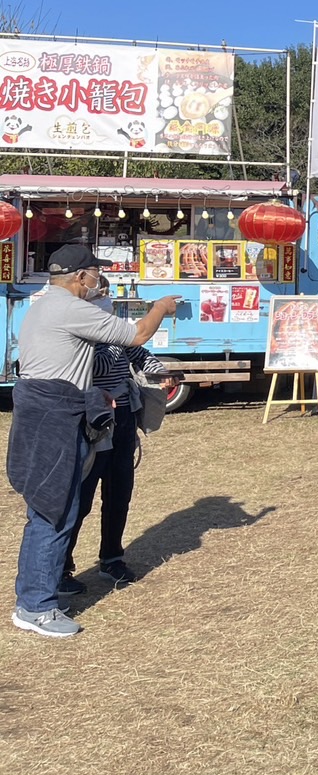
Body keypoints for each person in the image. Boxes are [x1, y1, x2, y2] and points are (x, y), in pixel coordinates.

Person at [9, 246, 179, 638]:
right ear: (80, 277)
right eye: (94, 275)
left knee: (57, 507)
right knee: (54, 511)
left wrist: (93, 395)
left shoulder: (43, 305)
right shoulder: (70, 307)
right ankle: (35, 606)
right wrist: (159, 306)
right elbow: (137, 334)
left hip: (51, 408)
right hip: (54, 415)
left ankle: (46, 589)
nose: (97, 282)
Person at [60, 289, 179, 594]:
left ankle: (112, 558)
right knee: (81, 498)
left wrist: (162, 373)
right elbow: (95, 367)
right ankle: (61, 567)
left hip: (123, 418)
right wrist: (118, 342)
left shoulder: (118, 334)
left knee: (119, 493)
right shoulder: (77, 339)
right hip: (92, 421)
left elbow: (142, 356)